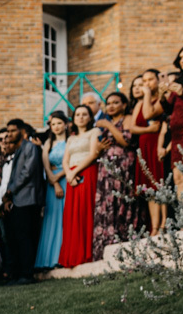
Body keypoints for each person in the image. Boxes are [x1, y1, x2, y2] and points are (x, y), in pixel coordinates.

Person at [93, 92, 140, 261]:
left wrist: (109, 125)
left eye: (115, 102)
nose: (111, 106)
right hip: (106, 170)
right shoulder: (105, 125)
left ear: (124, 104)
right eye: (109, 103)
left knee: (121, 202)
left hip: (123, 166)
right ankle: (105, 246)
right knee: (107, 204)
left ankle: (124, 243)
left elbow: (126, 141)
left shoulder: (127, 119)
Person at [0, 118, 45, 284]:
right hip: (18, 199)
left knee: (26, 237)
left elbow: (27, 172)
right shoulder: (18, 150)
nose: (9, 134)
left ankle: (27, 273)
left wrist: (11, 191)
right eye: (8, 131)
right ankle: (20, 273)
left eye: (12, 130)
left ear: (22, 131)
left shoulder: (30, 147)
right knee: (18, 236)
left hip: (28, 198)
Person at [59, 105, 100, 269]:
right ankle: (72, 255)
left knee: (85, 210)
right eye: (78, 114)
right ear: (74, 118)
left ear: (90, 118)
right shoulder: (70, 138)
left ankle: (87, 253)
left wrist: (75, 171)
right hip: (72, 176)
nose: (81, 117)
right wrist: (69, 173)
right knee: (72, 212)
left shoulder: (94, 132)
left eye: (85, 114)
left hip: (87, 171)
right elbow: (65, 159)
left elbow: (93, 154)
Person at [132, 69, 167, 233]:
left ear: (158, 80)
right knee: (149, 188)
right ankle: (154, 226)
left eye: (150, 80)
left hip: (157, 144)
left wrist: (147, 95)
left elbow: (148, 114)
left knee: (159, 182)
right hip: (144, 146)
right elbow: (132, 127)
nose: (146, 84)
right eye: (144, 81)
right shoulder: (139, 103)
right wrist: (148, 130)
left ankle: (163, 224)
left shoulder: (162, 99)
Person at [35, 110, 69, 271]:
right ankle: (50, 258)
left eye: (59, 123)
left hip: (67, 179)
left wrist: (60, 176)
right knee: (53, 218)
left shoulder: (71, 140)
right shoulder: (48, 143)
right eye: (53, 124)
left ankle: (65, 255)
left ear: (66, 124)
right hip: (52, 183)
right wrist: (54, 182)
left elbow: (73, 161)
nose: (56, 127)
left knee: (66, 217)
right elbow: (45, 165)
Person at [158, 72, 183, 205]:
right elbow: (168, 110)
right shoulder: (176, 91)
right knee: (179, 179)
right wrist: (162, 96)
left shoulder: (182, 90)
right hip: (176, 139)